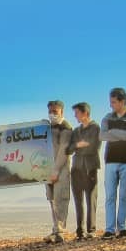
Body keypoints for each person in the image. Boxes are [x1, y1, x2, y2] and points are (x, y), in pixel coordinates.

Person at [100, 88, 126, 238]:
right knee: (110, 196)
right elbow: (102, 135)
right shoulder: (107, 117)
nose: (111, 105)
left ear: (122, 101)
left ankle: (122, 227)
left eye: (113, 102)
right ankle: (110, 229)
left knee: (124, 195)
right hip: (110, 161)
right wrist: (120, 134)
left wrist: (112, 132)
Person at [43, 101, 74, 243]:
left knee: (61, 199)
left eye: (55, 111)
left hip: (61, 170)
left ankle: (60, 232)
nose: (52, 114)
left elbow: (64, 151)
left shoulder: (66, 127)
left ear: (62, 112)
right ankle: (56, 229)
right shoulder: (48, 128)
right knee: (52, 199)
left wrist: (56, 170)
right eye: (50, 111)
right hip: (47, 169)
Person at [70, 102, 101, 240]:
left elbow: (93, 147)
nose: (75, 116)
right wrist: (80, 144)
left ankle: (91, 230)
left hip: (90, 168)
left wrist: (78, 146)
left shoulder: (95, 128)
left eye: (77, 113)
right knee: (78, 201)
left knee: (91, 199)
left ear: (85, 113)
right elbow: (69, 149)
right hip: (76, 168)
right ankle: (80, 231)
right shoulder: (76, 131)